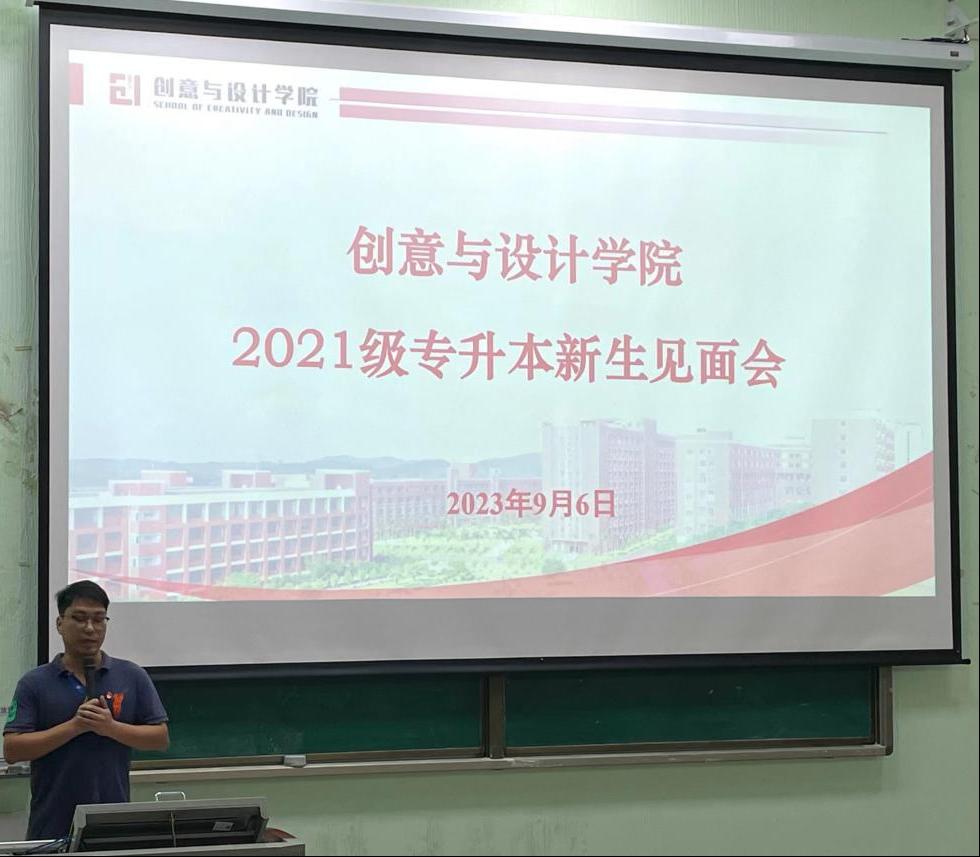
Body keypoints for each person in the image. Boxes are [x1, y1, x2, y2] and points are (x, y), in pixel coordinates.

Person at [3, 580, 170, 840]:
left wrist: (110, 728)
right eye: (79, 619)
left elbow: (159, 738)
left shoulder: (131, 675)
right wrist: (74, 727)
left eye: (99, 619)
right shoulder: (35, 682)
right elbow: (13, 750)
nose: (90, 628)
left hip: (112, 824)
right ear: (60, 623)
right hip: (52, 827)